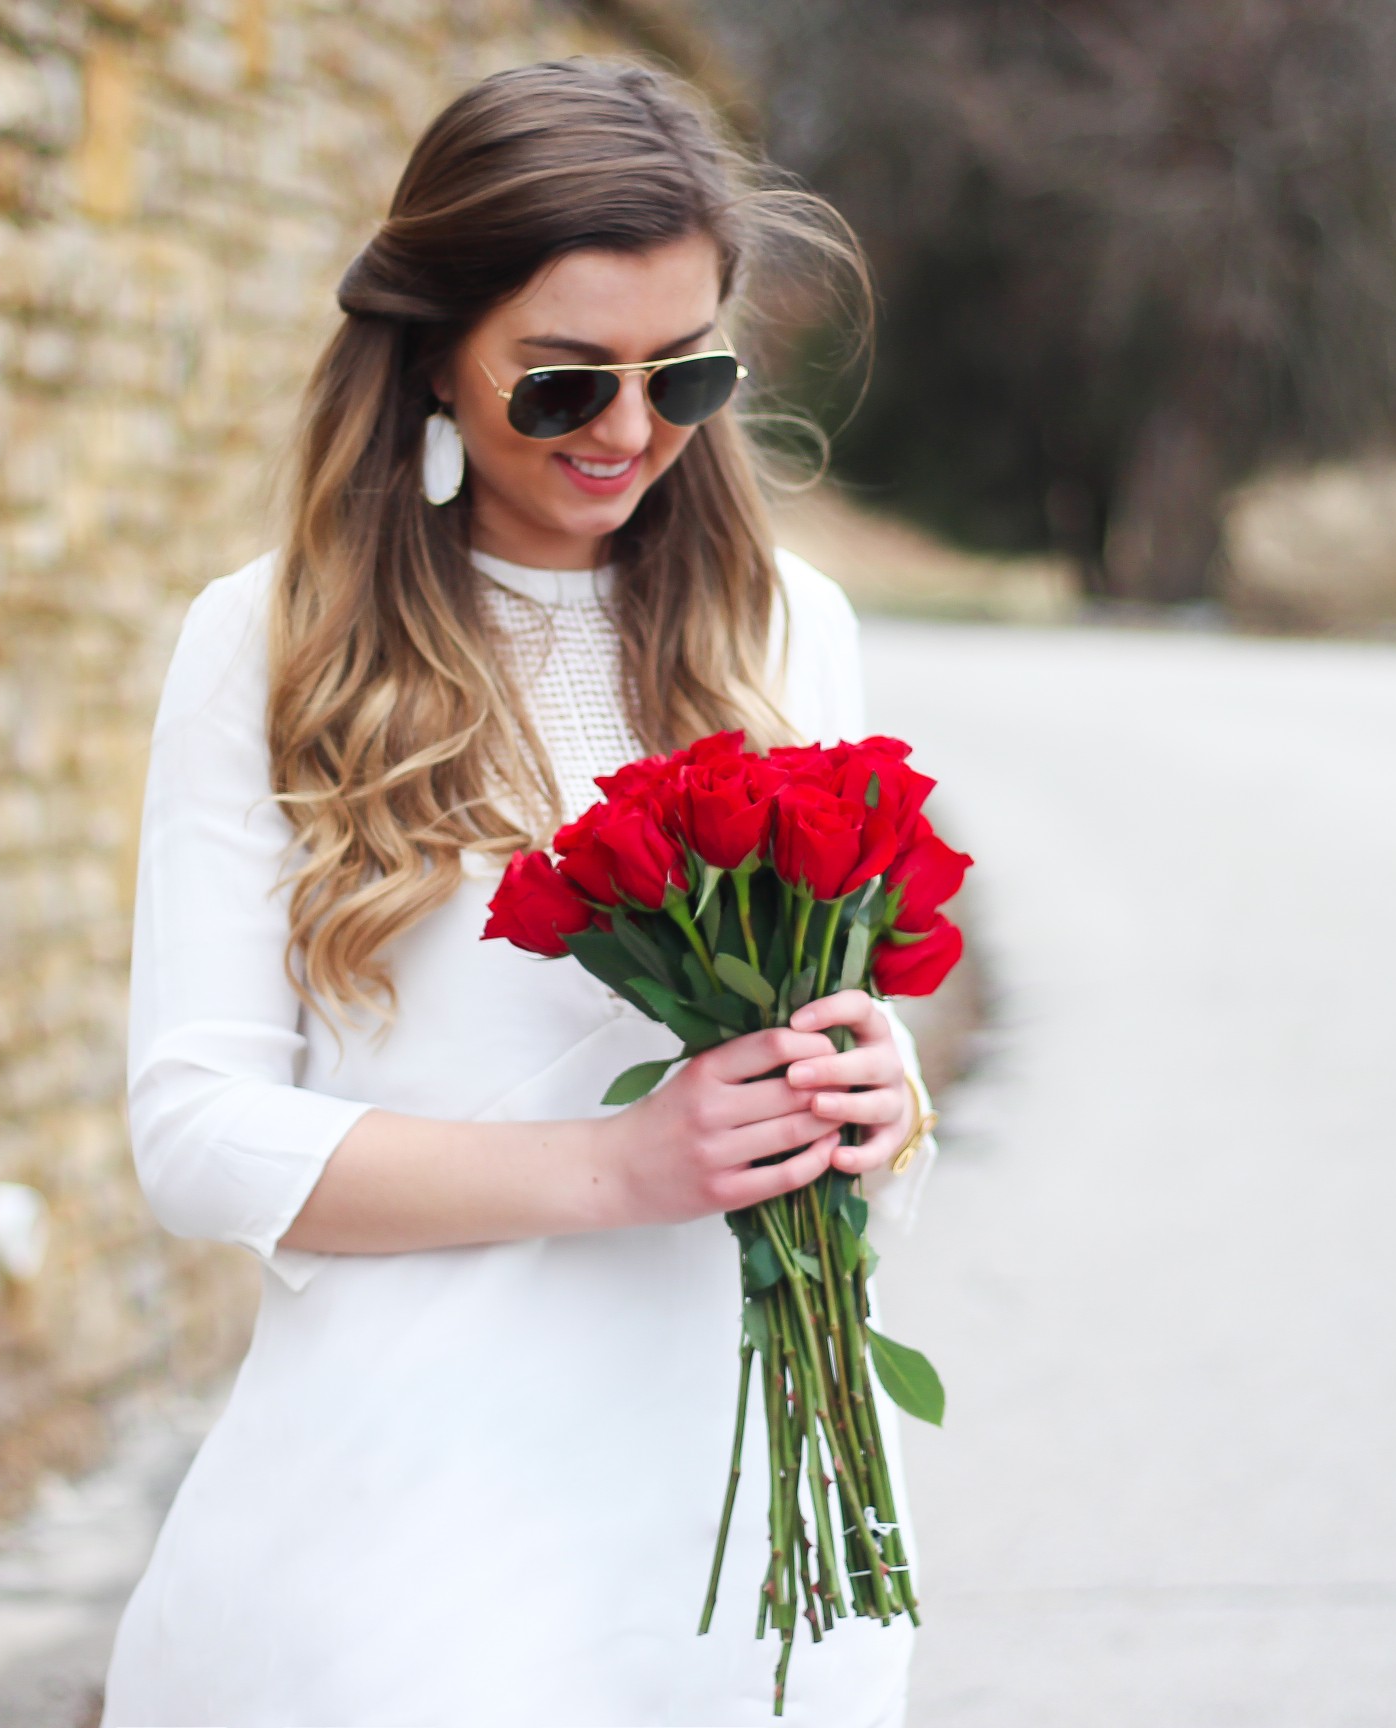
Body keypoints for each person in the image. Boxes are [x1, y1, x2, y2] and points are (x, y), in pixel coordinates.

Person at [100, 57, 940, 1728]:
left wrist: (878, 1100)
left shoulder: (797, 632)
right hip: (409, 1532)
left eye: (683, 374)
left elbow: (877, 1074)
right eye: (562, 387)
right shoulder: (268, 646)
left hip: (744, 1538)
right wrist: (619, 1163)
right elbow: (195, 1134)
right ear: (431, 355)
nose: (632, 434)